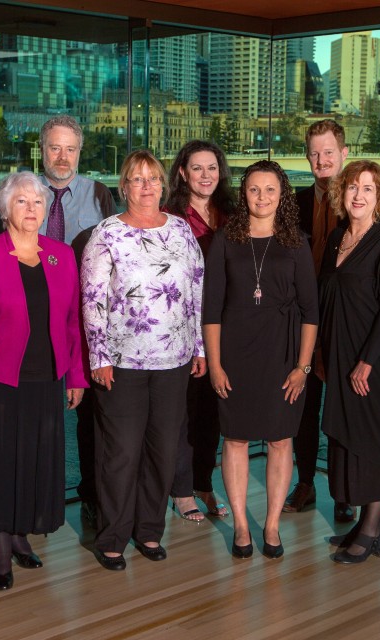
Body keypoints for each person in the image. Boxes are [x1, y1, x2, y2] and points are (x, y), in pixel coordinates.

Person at [0, 172, 86, 590]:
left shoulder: (61, 255)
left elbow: (72, 322)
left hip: (47, 378)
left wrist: (76, 375)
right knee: (1, 460)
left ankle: (20, 534)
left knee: (34, 459)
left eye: (36, 202)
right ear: (5, 209)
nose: (31, 210)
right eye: (21, 202)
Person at [81, 150, 206, 570]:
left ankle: (149, 531)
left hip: (174, 360)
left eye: (153, 178)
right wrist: (99, 355)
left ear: (163, 184)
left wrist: (199, 348)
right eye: (137, 179)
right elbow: (93, 301)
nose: (147, 186)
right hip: (122, 362)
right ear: (124, 186)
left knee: (162, 451)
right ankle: (112, 536)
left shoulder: (182, 231)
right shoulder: (106, 235)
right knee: (120, 452)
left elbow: (195, 293)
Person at [204, 160, 318, 560]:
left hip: (282, 355)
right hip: (234, 355)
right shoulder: (224, 240)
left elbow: (311, 311)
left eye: (270, 190)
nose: (262, 197)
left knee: (280, 439)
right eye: (254, 190)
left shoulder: (296, 242)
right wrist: (215, 365)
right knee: (234, 438)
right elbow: (211, 309)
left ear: (282, 195)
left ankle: (270, 525)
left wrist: (302, 367)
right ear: (244, 193)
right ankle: (239, 524)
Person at [318, 161, 380, 564]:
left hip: (372, 361)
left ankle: (372, 530)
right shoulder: (339, 236)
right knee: (349, 440)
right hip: (340, 357)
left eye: (368, 189)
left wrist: (368, 362)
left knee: (373, 443)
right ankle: (364, 525)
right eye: (353, 187)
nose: (358, 195)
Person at [34, 114, 117, 529]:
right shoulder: (22, 192)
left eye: (70, 149)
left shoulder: (100, 194)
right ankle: (38, 502)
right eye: (55, 148)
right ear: (41, 149)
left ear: (79, 152)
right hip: (35, 323)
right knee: (39, 416)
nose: (62, 157)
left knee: (93, 416)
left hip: (87, 323)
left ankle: (92, 497)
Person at [163, 140, 235, 523]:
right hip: (184, 328)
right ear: (182, 173)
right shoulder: (170, 216)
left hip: (226, 327)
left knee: (214, 411)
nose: (205, 175)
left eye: (212, 167)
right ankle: (181, 489)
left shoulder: (234, 213)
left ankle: (204, 482)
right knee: (184, 411)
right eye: (197, 168)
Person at [286, 118, 353, 523]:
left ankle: (343, 491)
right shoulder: (294, 203)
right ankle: (306, 482)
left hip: (344, 323)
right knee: (304, 408)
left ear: (344, 154)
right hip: (302, 324)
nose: (321, 160)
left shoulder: (359, 202)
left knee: (342, 408)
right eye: (314, 153)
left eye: (329, 152)